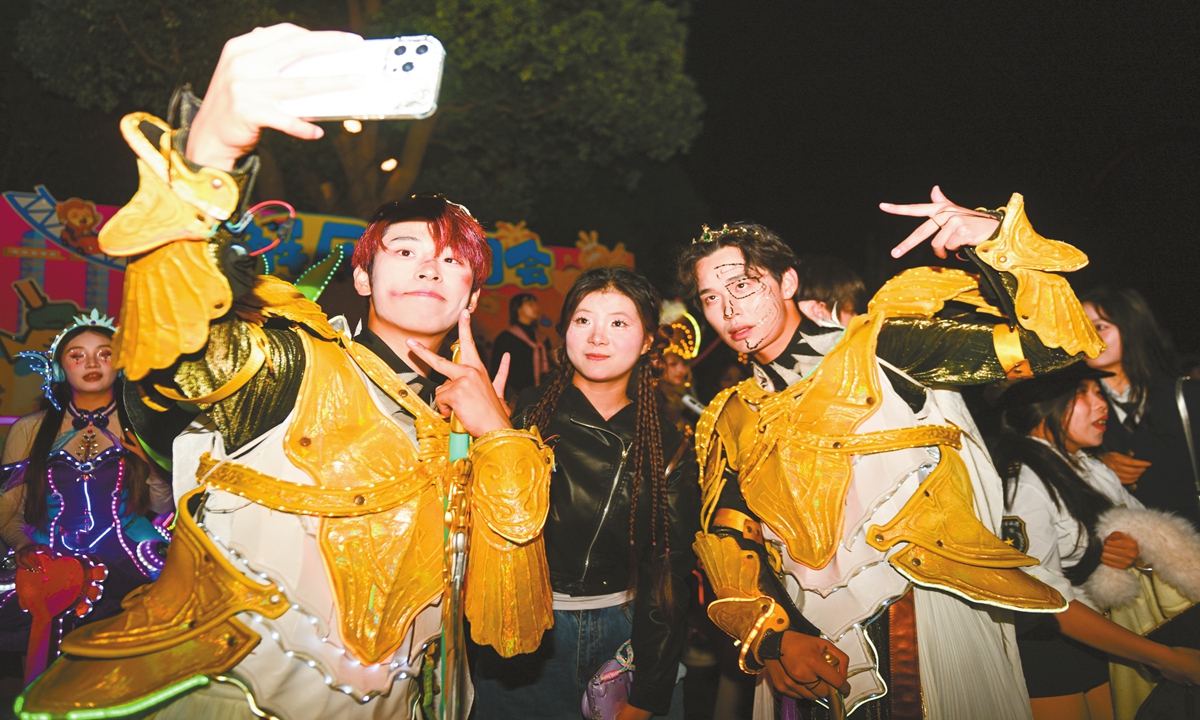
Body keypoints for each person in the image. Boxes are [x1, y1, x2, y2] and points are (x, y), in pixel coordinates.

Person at [20, 25, 555, 720]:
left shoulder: (465, 415)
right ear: (361, 275)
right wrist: (206, 158)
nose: (430, 266)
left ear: (473, 297)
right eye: (405, 250)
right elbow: (180, 353)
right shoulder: (292, 361)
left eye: (454, 260)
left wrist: (497, 436)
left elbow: (508, 623)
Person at [678, 188, 1109, 720]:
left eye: (743, 285)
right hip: (806, 634)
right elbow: (728, 537)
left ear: (787, 281)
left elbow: (1054, 346)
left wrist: (997, 240)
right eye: (710, 298)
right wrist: (773, 640)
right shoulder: (733, 412)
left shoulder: (882, 347)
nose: (729, 309)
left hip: (929, 610)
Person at [473, 267, 700, 720]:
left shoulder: (667, 443)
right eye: (583, 320)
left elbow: (667, 574)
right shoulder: (518, 416)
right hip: (519, 632)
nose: (598, 336)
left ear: (648, 340)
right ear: (564, 333)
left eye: (619, 322)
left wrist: (649, 692)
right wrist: (483, 438)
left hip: (624, 635)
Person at [992, 362, 1200, 720]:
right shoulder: (1022, 484)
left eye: (1098, 392)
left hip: (1107, 645)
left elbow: (1142, 530)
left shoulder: (1089, 466)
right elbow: (1045, 604)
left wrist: (1137, 552)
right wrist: (1164, 658)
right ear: (1041, 404)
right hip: (1051, 655)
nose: (1101, 403)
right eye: (1082, 394)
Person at [0, 312, 172, 658]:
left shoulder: (144, 424)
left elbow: (165, 508)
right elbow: (7, 509)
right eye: (77, 355)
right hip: (50, 561)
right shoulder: (31, 429)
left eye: (105, 354)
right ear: (61, 368)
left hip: (132, 562)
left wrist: (152, 463)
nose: (91, 363)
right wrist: (23, 547)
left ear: (120, 363)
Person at [1081, 287, 1200, 529]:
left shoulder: (1186, 396)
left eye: (1100, 327)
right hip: (1117, 546)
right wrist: (1094, 466)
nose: (1086, 337)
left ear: (1132, 328)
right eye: (1080, 328)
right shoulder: (1068, 401)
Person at [490, 292, 552, 406]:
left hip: (540, 397)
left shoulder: (542, 339)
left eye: (536, 303)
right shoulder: (506, 338)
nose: (536, 307)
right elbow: (495, 369)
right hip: (514, 399)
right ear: (518, 309)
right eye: (529, 303)